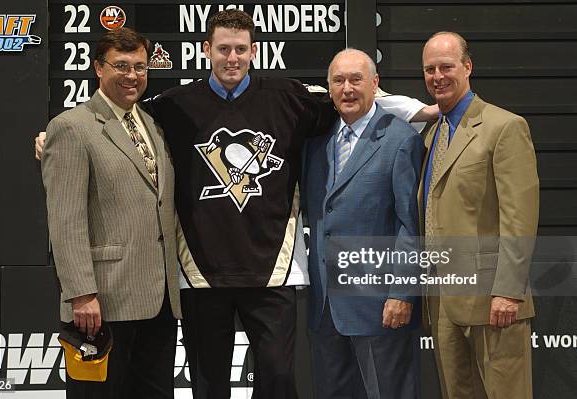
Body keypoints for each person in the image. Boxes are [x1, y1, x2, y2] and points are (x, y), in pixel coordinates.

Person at [36, 10, 437, 398]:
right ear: (206, 49)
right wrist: (49, 139)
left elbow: (355, 98)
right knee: (209, 385)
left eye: (241, 49)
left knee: (278, 379)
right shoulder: (172, 107)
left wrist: (423, 111)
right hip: (201, 275)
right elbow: (116, 127)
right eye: (224, 48)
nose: (232, 57)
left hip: (271, 273)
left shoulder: (291, 98)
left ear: (254, 51)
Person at [41, 28, 181, 399]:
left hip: (160, 300)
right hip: (104, 300)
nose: (132, 75)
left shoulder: (153, 124)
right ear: (98, 69)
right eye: (121, 66)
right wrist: (82, 293)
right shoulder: (71, 128)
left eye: (140, 66)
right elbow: (65, 220)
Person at [420, 31, 539, 398]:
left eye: (446, 67)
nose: (437, 76)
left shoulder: (504, 127)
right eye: (429, 69)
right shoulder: (431, 134)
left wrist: (508, 291)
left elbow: (519, 218)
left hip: (492, 300)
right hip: (443, 298)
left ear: (468, 67)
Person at [303, 48, 424, 399]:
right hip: (325, 308)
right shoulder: (316, 142)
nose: (347, 89)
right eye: (338, 81)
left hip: (380, 308)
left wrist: (402, 293)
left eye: (356, 79)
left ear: (375, 83)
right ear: (328, 89)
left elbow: (410, 226)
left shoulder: (401, 140)